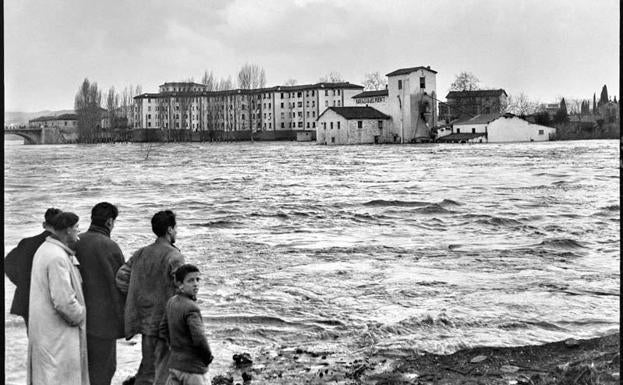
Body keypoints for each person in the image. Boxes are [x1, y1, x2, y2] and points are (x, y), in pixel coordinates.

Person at [116, 210, 185, 385]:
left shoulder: (141, 253)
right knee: (165, 371)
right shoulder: (174, 256)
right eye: (175, 228)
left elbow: (121, 278)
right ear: (169, 229)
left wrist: (137, 295)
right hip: (166, 323)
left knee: (148, 368)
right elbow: (183, 288)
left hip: (146, 320)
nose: (176, 231)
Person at [27, 211, 89, 385]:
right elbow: (64, 302)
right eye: (76, 227)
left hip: (47, 332)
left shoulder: (47, 250)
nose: (78, 231)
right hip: (57, 335)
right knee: (59, 378)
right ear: (68, 230)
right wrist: (81, 314)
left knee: (47, 376)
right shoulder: (57, 257)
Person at [75, 202, 126, 385]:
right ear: (110, 222)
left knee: (83, 370)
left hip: (76, 319)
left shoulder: (75, 242)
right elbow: (122, 285)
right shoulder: (110, 246)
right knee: (105, 370)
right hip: (104, 322)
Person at [4, 207, 62, 329]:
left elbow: (7, 265)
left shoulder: (26, 243)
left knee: (35, 342)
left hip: (27, 300)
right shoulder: (61, 245)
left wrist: (22, 283)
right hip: (51, 302)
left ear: (44, 224)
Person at [159, 264, 213, 385]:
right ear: (179, 284)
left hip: (175, 365)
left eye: (198, 279)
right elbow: (199, 339)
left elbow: (163, 329)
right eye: (190, 280)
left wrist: (174, 348)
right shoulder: (192, 308)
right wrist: (207, 358)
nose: (196, 284)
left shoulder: (171, 302)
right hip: (194, 370)